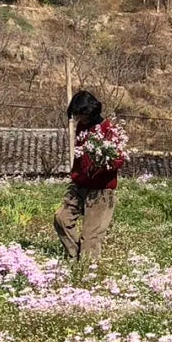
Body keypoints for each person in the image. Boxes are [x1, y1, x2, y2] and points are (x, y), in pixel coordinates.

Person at [53, 90, 127, 266]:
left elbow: (118, 160)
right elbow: (79, 157)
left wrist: (101, 161)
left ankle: (87, 273)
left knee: (90, 237)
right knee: (61, 219)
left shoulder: (109, 130)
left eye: (81, 115)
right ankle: (74, 256)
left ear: (91, 112)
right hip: (79, 185)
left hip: (100, 190)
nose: (79, 119)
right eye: (76, 116)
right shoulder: (82, 128)